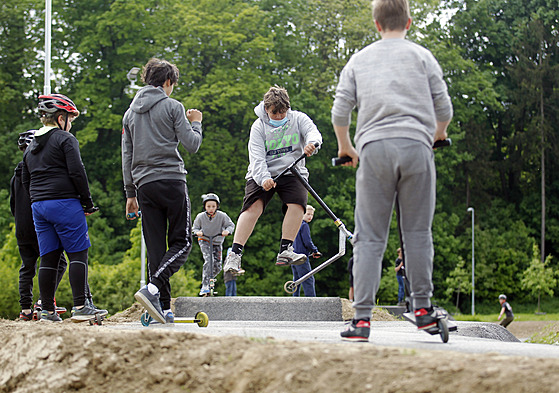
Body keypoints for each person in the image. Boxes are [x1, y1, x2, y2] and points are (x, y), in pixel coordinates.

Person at [333, 0, 453, 341]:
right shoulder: (422, 56)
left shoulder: (359, 60)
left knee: (370, 236)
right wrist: (437, 134)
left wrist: (346, 147)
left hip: (374, 150)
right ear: (409, 23)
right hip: (417, 147)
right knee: (417, 233)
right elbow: (444, 108)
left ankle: (361, 321)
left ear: (376, 24)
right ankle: (424, 311)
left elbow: (340, 111)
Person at [123, 58, 203, 324]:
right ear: (168, 82)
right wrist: (196, 122)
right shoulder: (172, 106)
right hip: (171, 181)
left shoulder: (130, 114)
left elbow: (127, 155)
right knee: (182, 242)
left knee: (156, 249)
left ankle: (163, 308)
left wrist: (130, 194)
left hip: (144, 186)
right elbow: (192, 144)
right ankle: (154, 288)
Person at [21, 94, 106, 322]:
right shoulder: (65, 139)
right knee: (78, 254)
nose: (71, 124)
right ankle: (80, 306)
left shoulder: (31, 146)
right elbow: (77, 171)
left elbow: (25, 179)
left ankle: (47, 310)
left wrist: (35, 200)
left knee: (49, 257)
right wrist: (87, 202)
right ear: (60, 118)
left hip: (39, 206)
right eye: (70, 118)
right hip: (64, 203)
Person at [223, 86, 322, 275]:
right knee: (253, 207)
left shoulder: (298, 118)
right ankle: (234, 255)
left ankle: (286, 249)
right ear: (266, 109)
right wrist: (264, 178)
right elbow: (257, 158)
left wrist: (312, 144)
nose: (278, 116)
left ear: (288, 109)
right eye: (274, 112)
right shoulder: (258, 126)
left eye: (282, 112)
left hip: (291, 170)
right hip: (263, 171)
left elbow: (313, 132)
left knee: (298, 204)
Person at [10, 130, 67, 321]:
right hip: (39, 225)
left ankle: (25, 309)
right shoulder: (37, 171)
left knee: (27, 266)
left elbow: (12, 204)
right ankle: (44, 301)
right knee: (57, 262)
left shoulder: (14, 177)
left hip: (21, 228)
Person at [192, 193, 235, 296]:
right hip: (204, 240)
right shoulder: (200, 217)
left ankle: (210, 278)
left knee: (218, 266)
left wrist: (227, 231)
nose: (211, 209)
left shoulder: (222, 216)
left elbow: (230, 225)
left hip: (217, 241)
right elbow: (195, 228)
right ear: (205, 207)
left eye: (213, 206)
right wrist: (197, 232)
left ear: (217, 206)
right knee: (209, 260)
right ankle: (205, 285)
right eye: (208, 206)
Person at [291, 205, 321, 297]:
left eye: (312, 215)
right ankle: (312, 301)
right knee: (308, 279)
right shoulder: (304, 226)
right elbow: (307, 242)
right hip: (301, 257)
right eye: (308, 214)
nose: (310, 217)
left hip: (292, 256)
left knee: (296, 280)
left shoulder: (295, 224)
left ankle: (294, 299)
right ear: (302, 214)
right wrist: (315, 250)